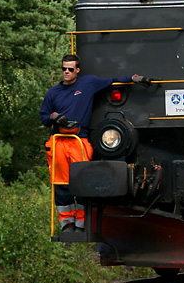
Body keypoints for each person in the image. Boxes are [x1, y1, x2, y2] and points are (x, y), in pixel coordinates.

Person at [40, 54, 149, 232]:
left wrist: (133, 79)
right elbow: (43, 117)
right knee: (60, 184)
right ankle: (66, 224)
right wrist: (53, 117)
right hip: (58, 142)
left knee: (82, 182)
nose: (66, 72)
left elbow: (113, 80)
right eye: (63, 69)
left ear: (77, 70)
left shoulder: (88, 84)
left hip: (79, 141)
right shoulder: (53, 93)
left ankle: (82, 223)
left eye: (70, 69)